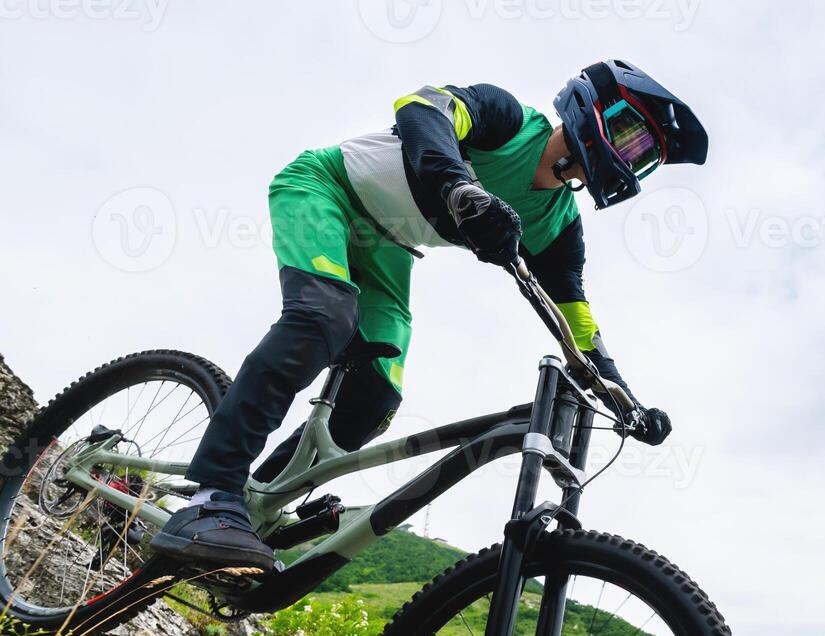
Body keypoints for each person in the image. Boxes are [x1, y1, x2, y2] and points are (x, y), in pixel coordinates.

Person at [149, 59, 707, 571]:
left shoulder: (558, 225)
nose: (629, 158)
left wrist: (620, 393)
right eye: (630, 138)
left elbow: (576, 322)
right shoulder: (509, 119)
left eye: (643, 158)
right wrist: (460, 187)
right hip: (326, 189)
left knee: (376, 397)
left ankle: (254, 506)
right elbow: (422, 107)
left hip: (387, 247)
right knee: (322, 317)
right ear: (595, 108)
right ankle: (210, 493)